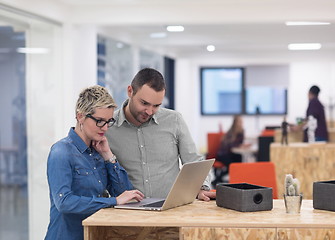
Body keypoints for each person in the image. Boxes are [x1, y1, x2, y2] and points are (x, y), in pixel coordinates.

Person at [45, 86, 144, 240]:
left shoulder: (98, 151)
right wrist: (113, 201)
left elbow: (124, 193)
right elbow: (64, 202)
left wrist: (108, 156)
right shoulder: (61, 152)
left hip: (94, 234)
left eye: (108, 121)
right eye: (99, 121)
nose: (105, 128)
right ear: (80, 116)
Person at [106, 68, 215, 201]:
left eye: (156, 105)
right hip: (129, 210)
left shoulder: (174, 120)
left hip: (171, 208)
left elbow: (195, 162)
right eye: (144, 103)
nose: (150, 111)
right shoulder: (108, 127)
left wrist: (201, 187)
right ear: (130, 91)